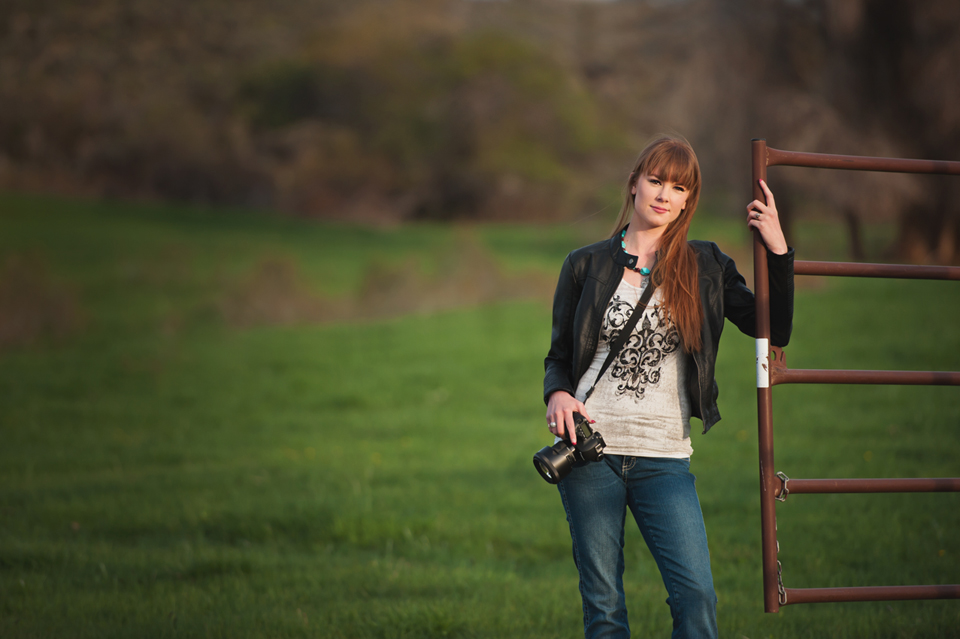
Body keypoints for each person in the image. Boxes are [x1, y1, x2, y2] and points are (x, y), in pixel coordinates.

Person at [542, 134, 794, 639]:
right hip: (590, 454)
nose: (663, 194)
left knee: (696, 596)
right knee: (605, 607)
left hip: (665, 457)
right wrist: (558, 394)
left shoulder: (706, 265)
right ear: (634, 184)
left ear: (687, 200)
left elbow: (775, 328)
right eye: (655, 180)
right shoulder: (584, 264)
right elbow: (559, 359)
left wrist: (778, 249)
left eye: (678, 187)